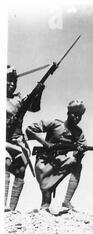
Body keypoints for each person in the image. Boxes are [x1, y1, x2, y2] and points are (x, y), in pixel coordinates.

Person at [25, 100, 86, 213]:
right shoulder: (55, 124)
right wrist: (45, 143)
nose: (77, 118)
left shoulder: (78, 133)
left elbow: (77, 157)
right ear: (68, 113)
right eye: (74, 114)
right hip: (44, 161)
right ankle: (44, 208)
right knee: (46, 194)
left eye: (79, 116)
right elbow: (29, 130)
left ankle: (66, 202)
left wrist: (80, 152)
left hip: (60, 162)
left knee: (77, 165)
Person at [5, 65, 45, 211]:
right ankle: (2, 205)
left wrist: (39, 92)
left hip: (18, 140)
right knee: (5, 163)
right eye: (8, 80)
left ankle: (12, 209)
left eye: (14, 81)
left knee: (21, 170)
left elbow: (34, 108)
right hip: (4, 141)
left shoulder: (19, 99)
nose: (11, 84)